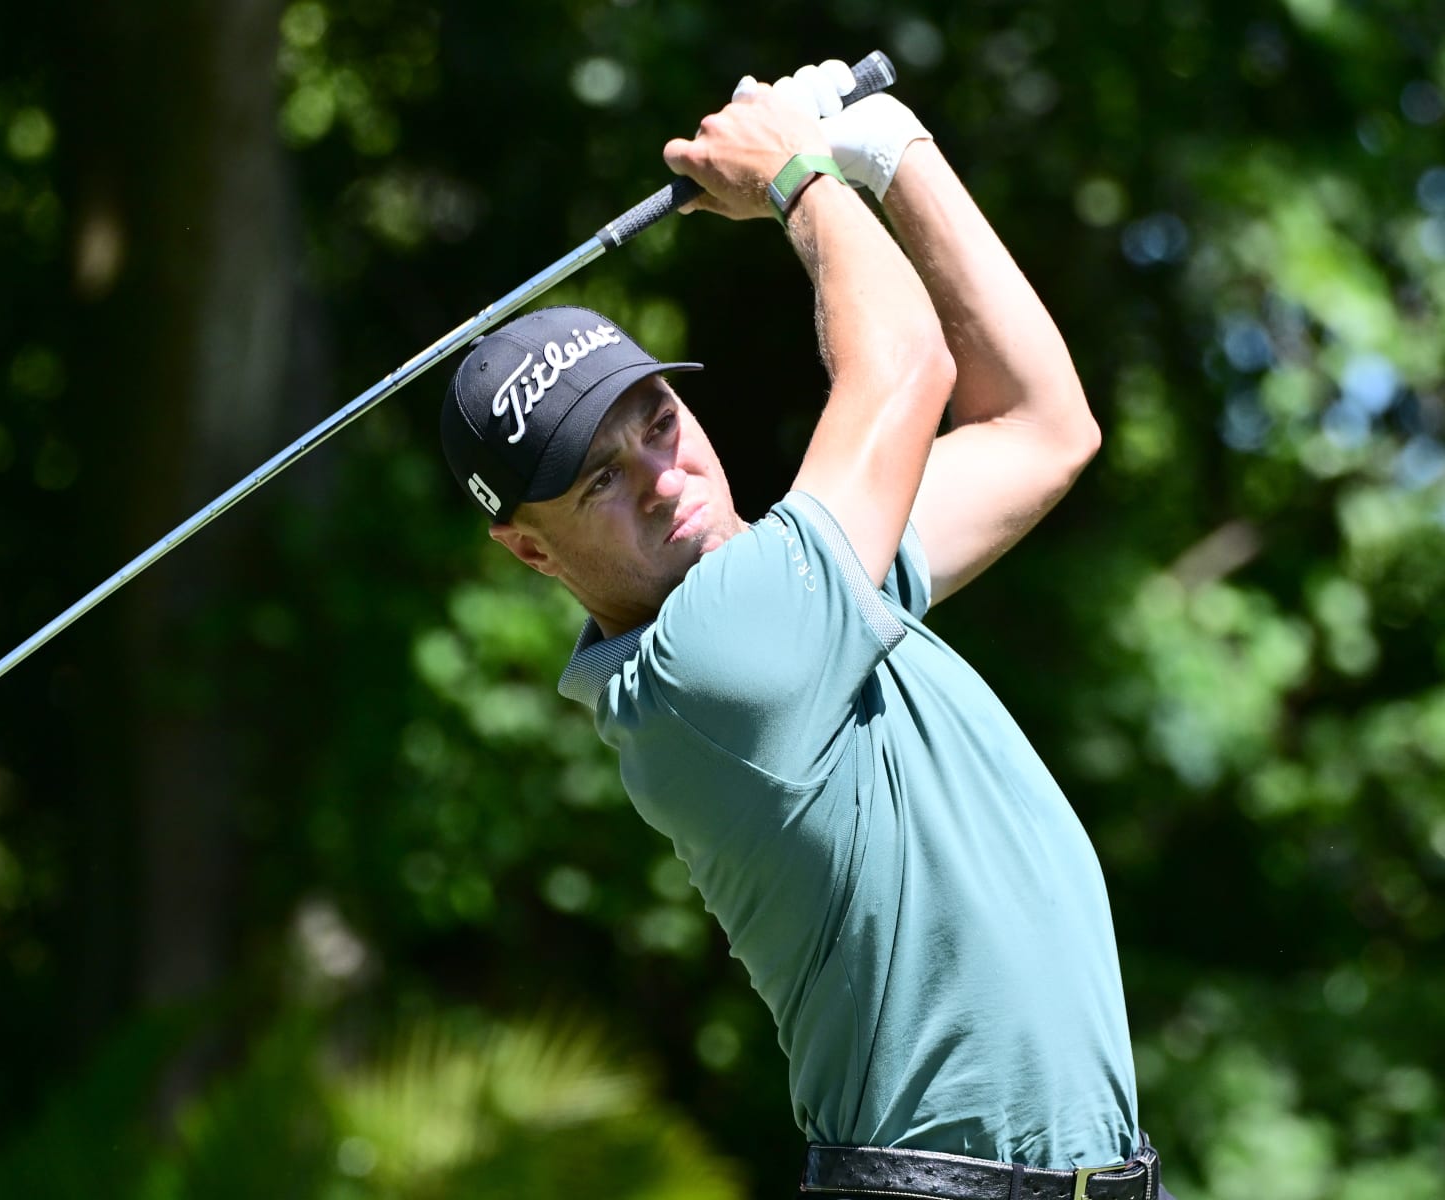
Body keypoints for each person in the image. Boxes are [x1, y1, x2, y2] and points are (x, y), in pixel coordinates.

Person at [439, 63, 1167, 1200]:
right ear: (530, 551)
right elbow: (908, 367)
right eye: (595, 483)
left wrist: (892, 149)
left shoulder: (810, 588)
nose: (660, 476)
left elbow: (1042, 428)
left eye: (657, 421)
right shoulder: (710, 666)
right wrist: (794, 174)